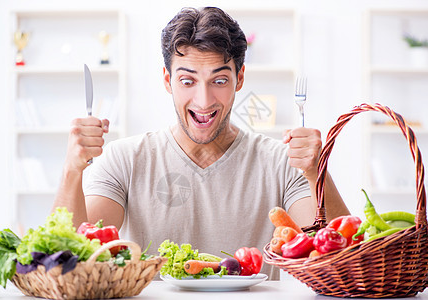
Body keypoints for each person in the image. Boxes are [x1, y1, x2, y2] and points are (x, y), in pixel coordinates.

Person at [53, 6, 349, 279]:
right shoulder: (124, 159)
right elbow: (73, 256)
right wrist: (71, 171)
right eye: (188, 81)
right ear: (168, 81)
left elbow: (342, 256)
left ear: (240, 78)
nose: (204, 101)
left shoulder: (282, 163)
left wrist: (316, 172)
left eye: (219, 81)